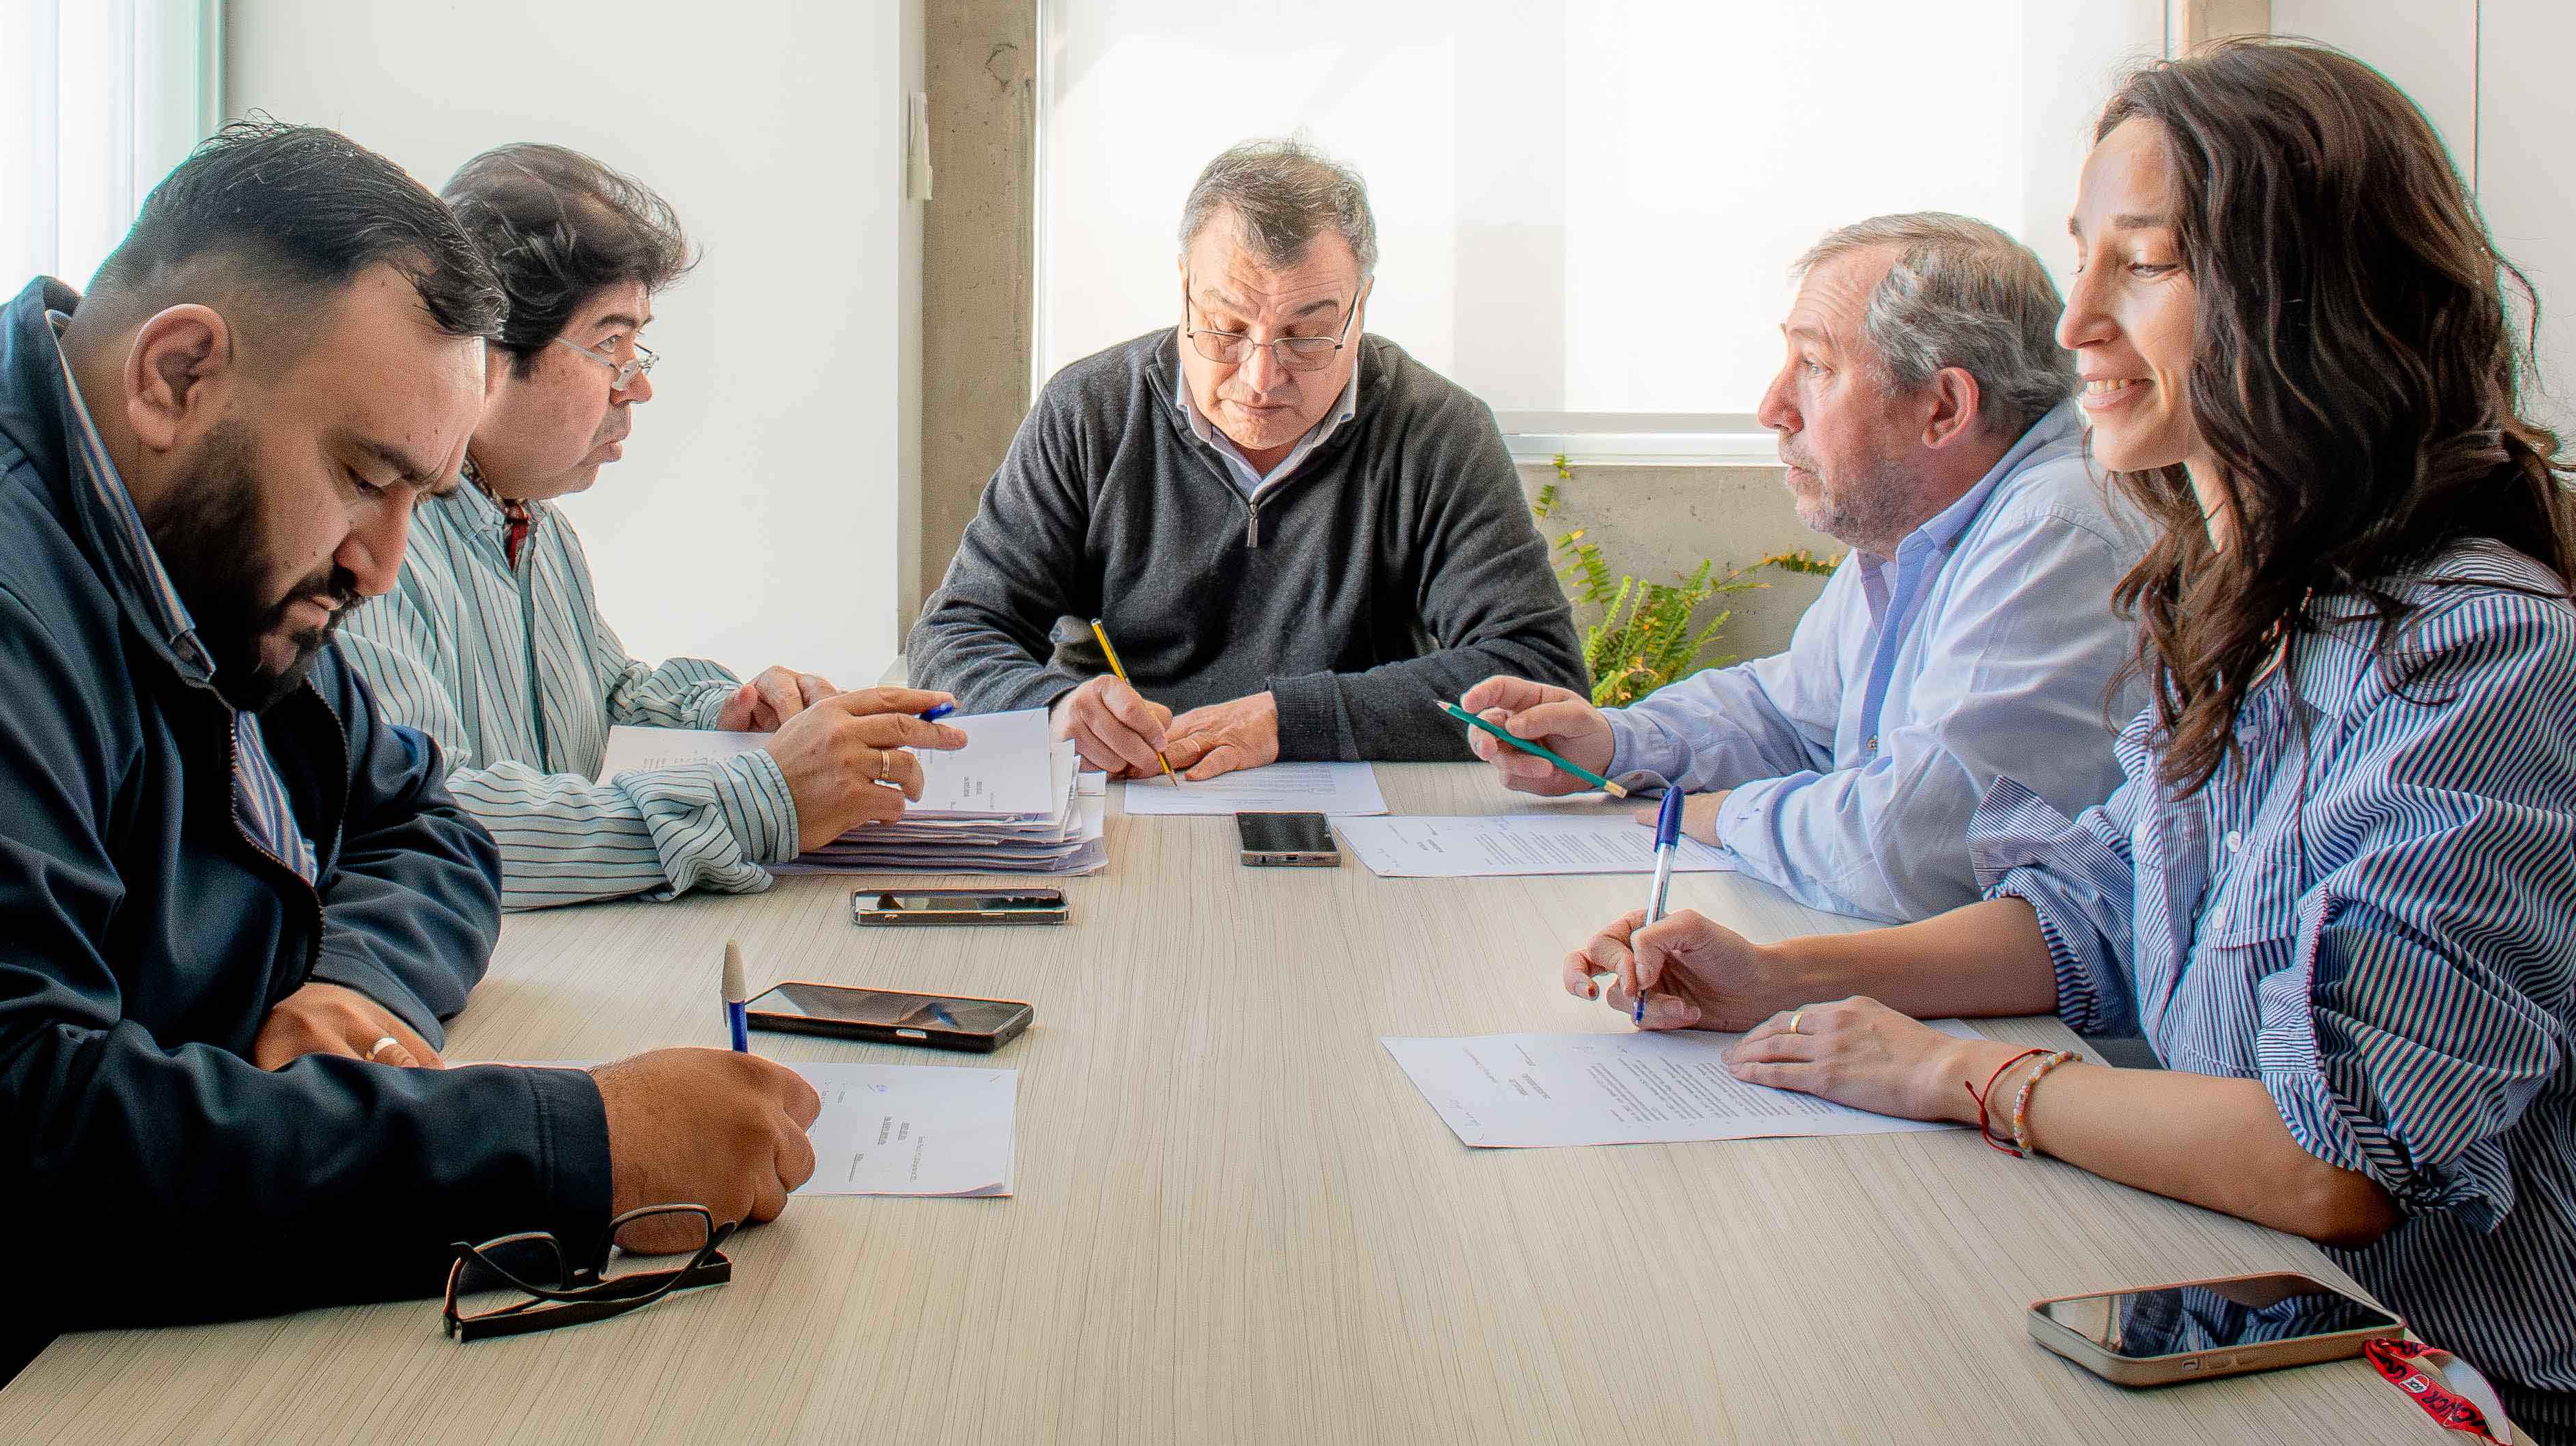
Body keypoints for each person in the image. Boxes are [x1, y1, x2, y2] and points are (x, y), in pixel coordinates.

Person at [1561, 41, 2576, 1446]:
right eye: (2084, 260)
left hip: (2498, 1407)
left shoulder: (2476, 657)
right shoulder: (2244, 609)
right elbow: (2096, 910)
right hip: (2265, 1319)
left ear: (2302, 305)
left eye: (2146, 265)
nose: (2074, 325)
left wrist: (1958, 1076)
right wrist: (1781, 976)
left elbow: (2338, 1162)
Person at [0, 124, 819, 1335]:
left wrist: (344, 988)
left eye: (420, 498)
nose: (383, 565)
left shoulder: (193, 549)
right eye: (368, 479)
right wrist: (580, 1150)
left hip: (38, 1333)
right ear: (176, 374)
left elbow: (422, 825)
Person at [1456, 215, 2141, 919]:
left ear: (1943, 407)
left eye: (1815, 366)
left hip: (2041, 1023)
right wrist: (1611, 740)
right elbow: (1793, 714)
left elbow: (1908, 844)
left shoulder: (2058, 531)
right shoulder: (1920, 525)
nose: (1772, 408)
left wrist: (1724, 815)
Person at [334, 145, 963, 906]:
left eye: (638, 346)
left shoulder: (538, 529)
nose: (639, 385)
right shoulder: (368, 549)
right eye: (609, 344)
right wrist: (763, 795)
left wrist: (728, 714)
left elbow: (604, 700)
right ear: (488, 352)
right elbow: (441, 816)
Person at [908, 138, 1587, 779]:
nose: (1261, 377)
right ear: (1183, 288)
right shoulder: (1089, 411)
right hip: (1126, 795)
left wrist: (1290, 719)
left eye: (1308, 334)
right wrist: (1054, 707)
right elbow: (956, 635)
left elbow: (1538, 670)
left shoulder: (1437, 430)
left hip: (1354, 810)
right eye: (1227, 327)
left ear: (1362, 306)